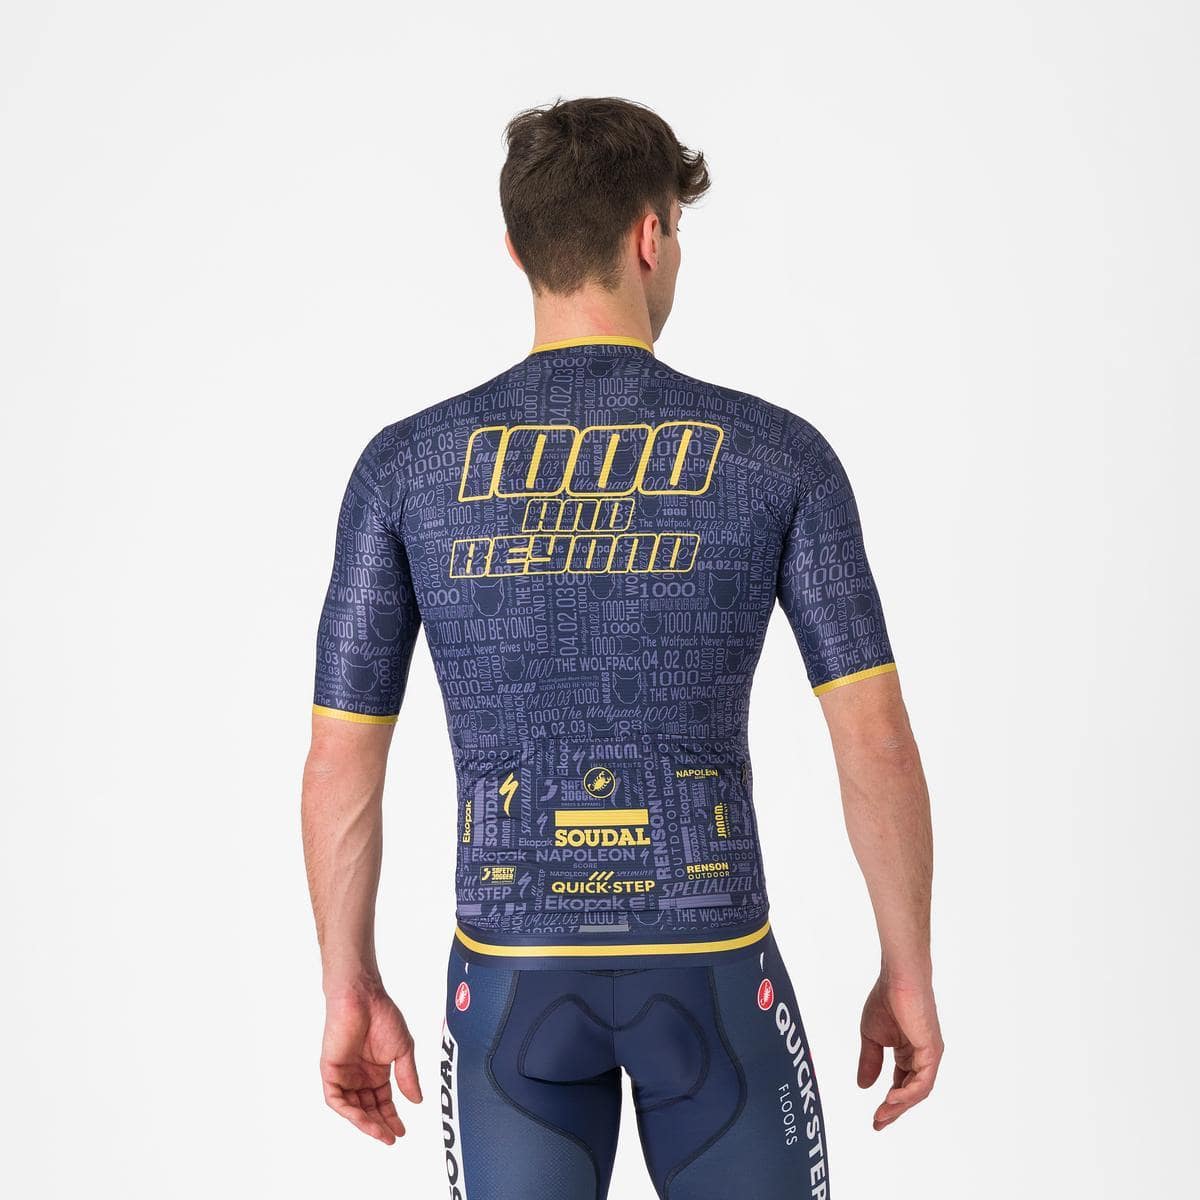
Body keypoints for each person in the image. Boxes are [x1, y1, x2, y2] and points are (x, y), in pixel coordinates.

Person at [301, 96, 942, 1200]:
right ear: (651, 235)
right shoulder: (776, 457)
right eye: (676, 232)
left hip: (509, 973)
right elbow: (874, 739)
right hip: (713, 964)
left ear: (519, 250)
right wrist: (909, 966)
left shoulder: (406, 470)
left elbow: (339, 759)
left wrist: (347, 986)